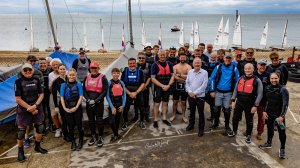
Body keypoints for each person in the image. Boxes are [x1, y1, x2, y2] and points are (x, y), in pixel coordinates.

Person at [15, 63, 48, 162]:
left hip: (36, 106)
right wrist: (29, 108)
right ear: (22, 71)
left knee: (40, 127)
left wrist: (35, 106)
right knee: (21, 132)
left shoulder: (36, 80)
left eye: (29, 69)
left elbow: (41, 94)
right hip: (24, 108)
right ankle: (20, 151)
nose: (28, 71)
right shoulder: (18, 82)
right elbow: (18, 99)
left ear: (33, 70)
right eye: (25, 70)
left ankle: (37, 146)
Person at [230, 63, 263, 144]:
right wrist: (233, 101)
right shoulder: (240, 78)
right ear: (244, 69)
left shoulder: (257, 80)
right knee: (235, 117)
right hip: (239, 102)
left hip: (250, 103)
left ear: (253, 69)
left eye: (249, 68)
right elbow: (235, 90)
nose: (247, 70)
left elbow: (260, 94)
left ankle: (248, 135)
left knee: (249, 120)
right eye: (246, 69)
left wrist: (256, 105)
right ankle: (234, 131)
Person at [259, 72, 289, 159]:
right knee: (269, 128)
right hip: (269, 113)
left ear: (279, 78)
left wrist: (282, 116)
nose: (274, 80)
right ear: (270, 79)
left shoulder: (283, 90)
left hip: (279, 115)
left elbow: (285, 104)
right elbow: (264, 101)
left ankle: (282, 148)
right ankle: (269, 143)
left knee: (282, 132)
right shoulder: (267, 88)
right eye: (272, 78)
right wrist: (264, 112)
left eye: (276, 78)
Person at [209, 54, 240, 135]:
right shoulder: (218, 67)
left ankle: (226, 125)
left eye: (229, 58)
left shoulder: (234, 68)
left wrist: (235, 95)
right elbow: (212, 78)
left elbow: (237, 81)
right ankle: (216, 123)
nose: (228, 60)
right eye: (226, 58)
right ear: (224, 58)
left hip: (228, 93)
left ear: (231, 59)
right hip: (218, 92)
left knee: (227, 110)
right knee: (216, 109)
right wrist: (212, 90)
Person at [18, 55, 44, 148]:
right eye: (30, 60)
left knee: (39, 125)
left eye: (34, 61)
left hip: (36, 102)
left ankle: (38, 143)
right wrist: (29, 108)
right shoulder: (20, 75)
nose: (32, 62)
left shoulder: (38, 74)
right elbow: (19, 95)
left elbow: (41, 90)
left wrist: (35, 106)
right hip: (25, 105)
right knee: (23, 128)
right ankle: (26, 139)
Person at [83, 61, 108, 147]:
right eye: (92, 68)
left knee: (99, 120)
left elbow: (104, 91)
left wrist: (96, 100)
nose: (93, 69)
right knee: (91, 120)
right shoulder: (86, 77)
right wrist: (88, 100)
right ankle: (93, 135)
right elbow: (84, 91)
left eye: (95, 68)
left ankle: (100, 136)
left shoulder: (103, 78)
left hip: (98, 103)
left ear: (98, 68)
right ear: (89, 68)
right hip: (89, 103)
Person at [60, 69, 84, 151]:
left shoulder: (78, 84)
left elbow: (81, 96)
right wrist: (64, 108)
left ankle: (81, 140)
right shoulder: (63, 85)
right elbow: (62, 97)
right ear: (67, 75)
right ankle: (73, 141)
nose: (72, 76)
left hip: (77, 107)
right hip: (67, 107)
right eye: (70, 75)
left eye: (73, 75)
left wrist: (76, 107)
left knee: (79, 125)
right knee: (70, 126)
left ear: (75, 75)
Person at [151, 50, 175, 128]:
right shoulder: (154, 65)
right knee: (157, 104)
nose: (162, 56)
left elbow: (172, 76)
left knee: (165, 103)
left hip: (167, 86)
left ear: (166, 55)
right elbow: (153, 79)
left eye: (164, 55)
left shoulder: (170, 64)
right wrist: (162, 86)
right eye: (161, 55)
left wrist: (168, 85)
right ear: (158, 56)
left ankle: (164, 118)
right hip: (158, 87)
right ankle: (155, 120)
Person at [121, 58, 146, 130]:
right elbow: (122, 84)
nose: (132, 65)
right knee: (126, 108)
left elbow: (143, 83)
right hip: (127, 92)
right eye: (130, 63)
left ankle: (142, 121)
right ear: (128, 64)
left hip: (138, 91)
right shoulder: (124, 72)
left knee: (141, 108)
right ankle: (125, 122)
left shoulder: (140, 72)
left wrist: (136, 92)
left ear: (136, 63)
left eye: (133, 63)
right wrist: (129, 93)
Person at [185, 58, 208, 137]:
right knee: (191, 112)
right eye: (196, 63)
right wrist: (189, 92)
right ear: (193, 64)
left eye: (199, 63)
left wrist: (194, 93)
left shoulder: (205, 73)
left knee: (201, 113)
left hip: (200, 97)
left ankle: (201, 129)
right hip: (191, 96)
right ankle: (191, 125)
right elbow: (187, 83)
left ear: (201, 64)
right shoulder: (190, 72)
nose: (197, 64)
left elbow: (204, 85)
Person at [106, 68, 127, 142]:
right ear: (112, 74)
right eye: (114, 73)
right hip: (113, 104)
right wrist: (112, 107)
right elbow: (107, 96)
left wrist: (123, 105)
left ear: (119, 74)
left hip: (120, 104)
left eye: (117, 73)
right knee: (111, 122)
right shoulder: (109, 83)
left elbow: (124, 94)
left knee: (117, 121)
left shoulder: (121, 83)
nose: (116, 74)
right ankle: (116, 134)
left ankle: (116, 135)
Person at [170, 52, 192, 122]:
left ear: (186, 58)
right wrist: (183, 79)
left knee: (183, 102)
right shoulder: (175, 66)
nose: (182, 58)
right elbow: (174, 76)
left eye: (184, 57)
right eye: (181, 57)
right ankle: (174, 115)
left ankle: (183, 116)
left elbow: (189, 76)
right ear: (179, 58)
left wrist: (179, 75)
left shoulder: (189, 66)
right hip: (176, 86)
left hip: (185, 87)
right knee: (175, 101)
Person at [51, 64, 70, 142]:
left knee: (70, 119)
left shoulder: (69, 78)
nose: (62, 71)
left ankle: (71, 133)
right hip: (62, 102)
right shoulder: (56, 81)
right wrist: (56, 106)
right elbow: (54, 95)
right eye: (61, 69)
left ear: (66, 70)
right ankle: (66, 135)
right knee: (64, 119)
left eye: (63, 69)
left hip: (71, 101)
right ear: (58, 70)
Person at [254, 60, 270, 140]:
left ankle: (259, 132)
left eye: (264, 65)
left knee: (262, 117)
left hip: (263, 100)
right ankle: (248, 131)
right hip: (253, 99)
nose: (262, 66)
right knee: (250, 115)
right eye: (261, 65)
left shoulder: (268, 75)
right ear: (257, 65)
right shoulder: (253, 74)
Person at [49, 58, 64, 138]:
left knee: (61, 114)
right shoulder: (50, 75)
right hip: (54, 95)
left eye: (57, 64)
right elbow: (50, 87)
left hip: (63, 96)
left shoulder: (65, 72)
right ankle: (58, 128)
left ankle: (64, 128)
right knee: (53, 113)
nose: (55, 66)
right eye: (53, 65)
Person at [38, 58, 53, 134]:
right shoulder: (35, 73)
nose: (43, 65)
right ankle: (43, 126)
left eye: (44, 63)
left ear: (47, 64)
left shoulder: (50, 72)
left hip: (48, 94)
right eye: (41, 63)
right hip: (39, 96)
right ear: (38, 65)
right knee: (41, 111)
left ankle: (51, 124)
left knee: (50, 110)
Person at [137, 52, 152, 122]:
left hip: (145, 87)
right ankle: (136, 116)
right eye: (140, 58)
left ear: (145, 59)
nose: (141, 59)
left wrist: (145, 86)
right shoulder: (135, 65)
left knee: (146, 102)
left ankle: (146, 116)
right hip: (137, 87)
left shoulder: (149, 66)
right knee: (138, 102)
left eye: (143, 58)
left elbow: (149, 77)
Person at [206, 52, 219, 121]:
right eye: (212, 57)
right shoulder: (207, 64)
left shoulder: (219, 65)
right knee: (211, 101)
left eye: (214, 57)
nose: (213, 59)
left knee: (215, 102)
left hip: (216, 84)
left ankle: (216, 117)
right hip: (208, 84)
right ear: (210, 57)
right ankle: (212, 115)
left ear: (216, 57)